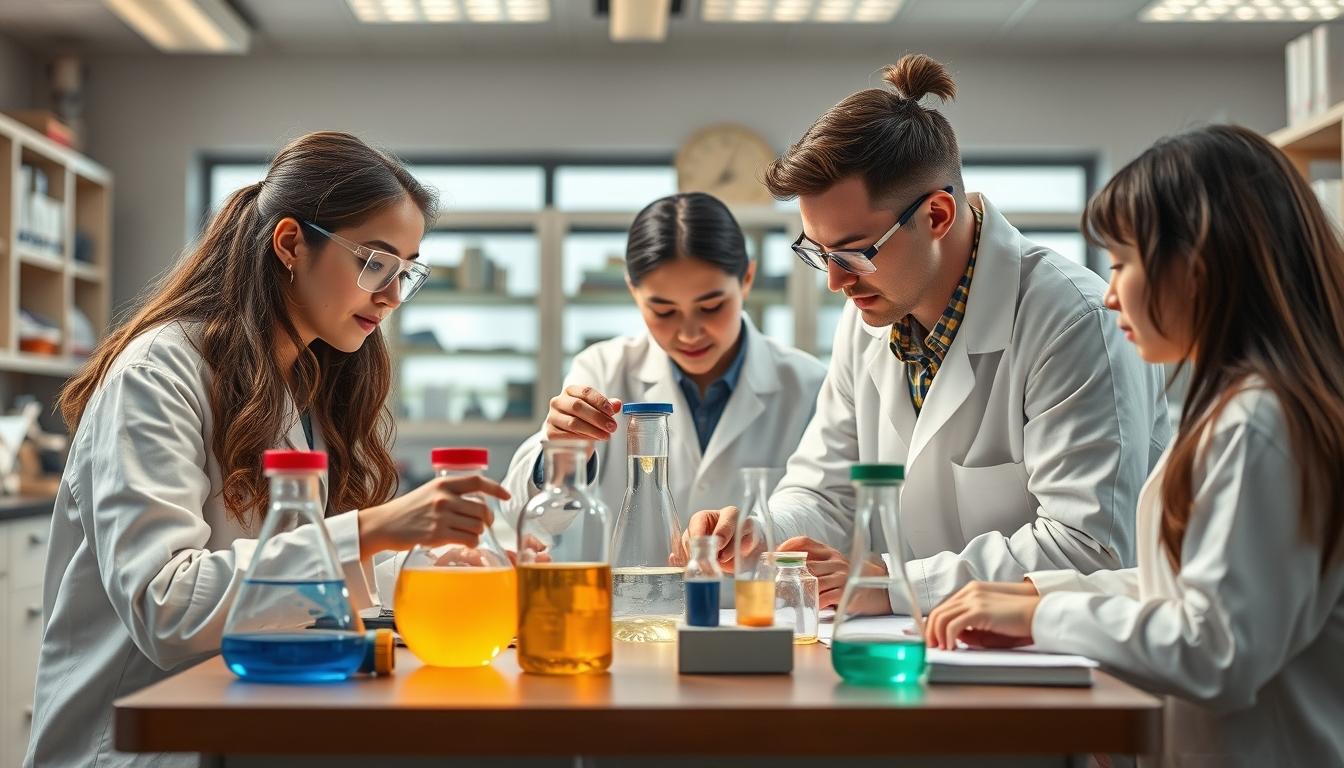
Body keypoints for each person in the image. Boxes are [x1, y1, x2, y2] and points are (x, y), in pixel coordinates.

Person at [25, 131, 509, 768]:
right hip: (138, 749)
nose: (391, 296)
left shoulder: (301, 380)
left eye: (406, 273)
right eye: (375, 263)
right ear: (290, 244)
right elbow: (166, 608)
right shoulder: (159, 372)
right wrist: (373, 530)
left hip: (247, 724)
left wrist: (434, 563)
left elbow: (295, 575)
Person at [689, 53, 1170, 614]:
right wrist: (759, 530)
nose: (837, 282)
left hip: (1056, 658)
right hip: (930, 651)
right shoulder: (871, 313)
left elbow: (1090, 547)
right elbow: (825, 491)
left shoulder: (1073, 319)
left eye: (852, 253)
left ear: (938, 215)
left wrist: (891, 587)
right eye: (819, 255)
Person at [925, 124, 1344, 767]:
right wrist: (1044, 594)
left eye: (1123, 264)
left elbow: (1215, 652)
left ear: (1198, 271)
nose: (1111, 292)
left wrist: (1043, 621)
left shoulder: (1259, 425)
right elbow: (1183, 589)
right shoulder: (1245, 409)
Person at [500, 192, 826, 534]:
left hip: (754, 590)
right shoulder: (602, 369)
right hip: (631, 589)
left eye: (711, 306)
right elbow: (528, 517)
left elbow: (828, 515)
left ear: (747, 279)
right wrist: (562, 455)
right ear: (633, 291)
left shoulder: (808, 385)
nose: (688, 333)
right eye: (664, 311)